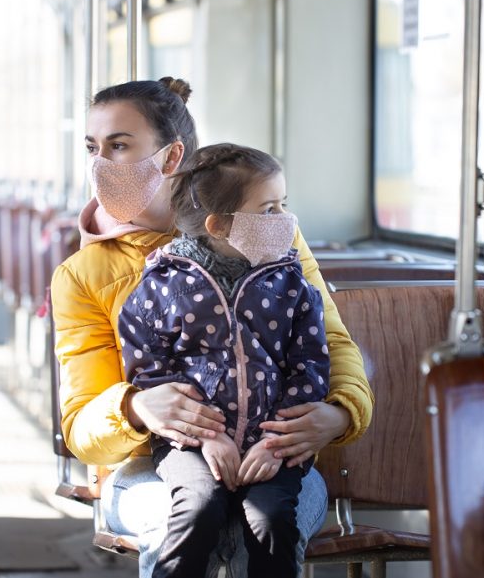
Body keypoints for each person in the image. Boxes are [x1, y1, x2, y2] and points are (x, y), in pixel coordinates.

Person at [51, 77, 373, 577]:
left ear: (171, 156)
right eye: (93, 148)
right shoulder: (82, 275)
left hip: (273, 452)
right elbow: (80, 428)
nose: (99, 165)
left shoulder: (269, 234)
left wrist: (340, 413)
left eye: (118, 146)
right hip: (150, 464)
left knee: (263, 523)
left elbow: (329, 342)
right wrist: (135, 407)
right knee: (181, 519)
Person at [119, 143, 329, 578]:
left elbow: (309, 367)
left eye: (283, 205)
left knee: (270, 519)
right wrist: (204, 438)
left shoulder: (292, 284)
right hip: (189, 443)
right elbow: (152, 371)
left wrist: (277, 443)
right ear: (219, 226)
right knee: (197, 507)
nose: (285, 221)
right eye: (269, 210)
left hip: (274, 445)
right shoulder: (162, 287)